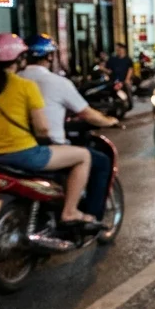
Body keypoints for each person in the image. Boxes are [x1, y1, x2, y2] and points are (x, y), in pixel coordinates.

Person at [0, 34, 98, 227]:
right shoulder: (26, 86)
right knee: (84, 156)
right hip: (23, 155)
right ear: (19, 59)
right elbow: (43, 128)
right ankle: (70, 211)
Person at [20, 34, 120, 219]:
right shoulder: (55, 82)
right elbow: (87, 114)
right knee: (97, 160)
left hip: (3, 148)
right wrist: (110, 121)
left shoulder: (10, 82)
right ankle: (81, 215)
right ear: (50, 56)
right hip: (38, 149)